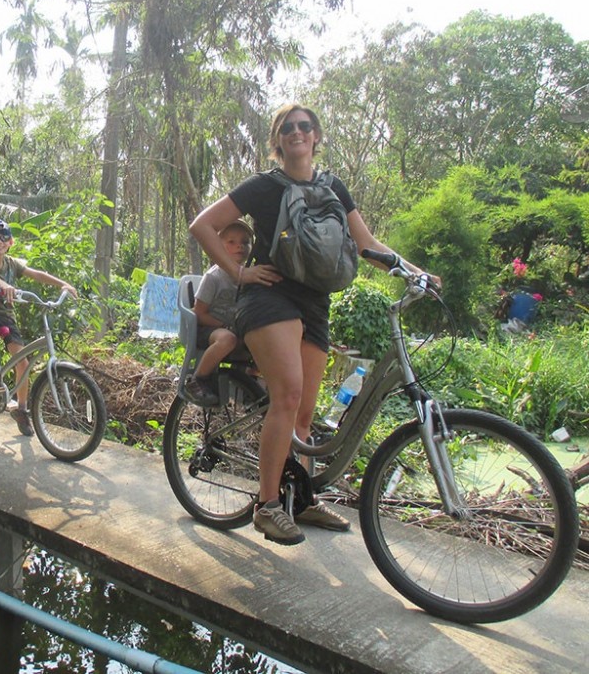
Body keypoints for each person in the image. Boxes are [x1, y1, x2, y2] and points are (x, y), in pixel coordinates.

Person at [189, 103, 436, 546]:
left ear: (316, 136)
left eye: (305, 126)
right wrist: (240, 273)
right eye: (288, 128)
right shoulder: (265, 186)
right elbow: (203, 225)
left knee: (304, 413)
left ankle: (300, 499)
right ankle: (267, 505)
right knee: (287, 395)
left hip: (314, 304)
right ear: (278, 140)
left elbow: (368, 245)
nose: (298, 132)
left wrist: (414, 273)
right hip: (268, 297)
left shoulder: (333, 187)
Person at [0, 219, 78, 436]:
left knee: (23, 362)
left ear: (11, 242)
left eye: (3, 238)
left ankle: (22, 409)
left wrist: (62, 284)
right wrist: (3, 285)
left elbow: (36, 274)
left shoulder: (12, 264)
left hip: (6, 316)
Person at [184, 219, 253, 407]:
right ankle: (198, 379)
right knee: (228, 339)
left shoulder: (249, 276)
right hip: (208, 329)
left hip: (233, 329)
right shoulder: (213, 277)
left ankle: (251, 388)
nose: (239, 246)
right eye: (231, 242)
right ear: (218, 246)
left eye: (245, 242)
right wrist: (223, 326)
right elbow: (199, 313)